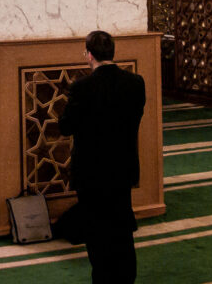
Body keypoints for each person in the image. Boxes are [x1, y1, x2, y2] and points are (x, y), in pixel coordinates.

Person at [59, 30, 146, 284]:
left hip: (91, 173)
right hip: (122, 169)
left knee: (97, 234)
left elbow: (65, 127)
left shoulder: (82, 88)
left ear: (88, 55)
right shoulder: (135, 83)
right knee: (121, 228)